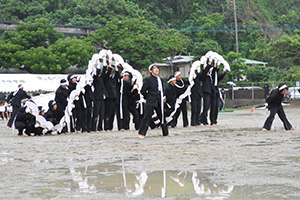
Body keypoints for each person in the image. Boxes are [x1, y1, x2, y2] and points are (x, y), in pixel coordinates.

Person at [138, 65, 170, 139]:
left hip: (159, 100)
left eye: (157, 68)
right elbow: (142, 91)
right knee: (147, 117)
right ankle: (142, 133)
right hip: (151, 100)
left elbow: (162, 91)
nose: (156, 70)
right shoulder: (148, 79)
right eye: (154, 68)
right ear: (151, 71)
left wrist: (163, 97)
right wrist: (148, 97)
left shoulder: (160, 80)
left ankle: (165, 132)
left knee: (162, 116)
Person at [92, 67, 108, 132]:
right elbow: (96, 76)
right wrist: (98, 67)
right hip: (97, 98)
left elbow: (104, 74)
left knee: (102, 114)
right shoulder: (95, 80)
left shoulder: (101, 78)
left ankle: (100, 127)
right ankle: (93, 127)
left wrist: (104, 66)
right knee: (96, 114)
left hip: (102, 98)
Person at [199, 60, 214, 126]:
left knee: (207, 107)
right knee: (205, 107)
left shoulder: (210, 77)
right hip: (205, 92)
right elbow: (204, 72)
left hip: (210, 92)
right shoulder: (204, 76)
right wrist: (209, 64)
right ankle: (203, 120)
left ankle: (202, 119)